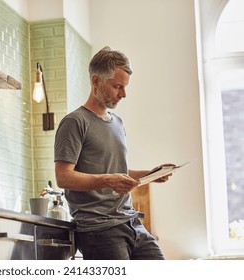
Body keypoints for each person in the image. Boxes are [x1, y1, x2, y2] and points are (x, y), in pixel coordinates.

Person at [54, 46, 172, 260]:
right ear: (96, 81)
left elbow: (116, 170)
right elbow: (64, 177)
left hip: (131, 223)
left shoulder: (117, 122)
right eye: (117, 86)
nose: (123, 94)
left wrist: (149, 174)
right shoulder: (74, 122)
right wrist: (108, 180)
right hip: (99, 231)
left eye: (125, 87)